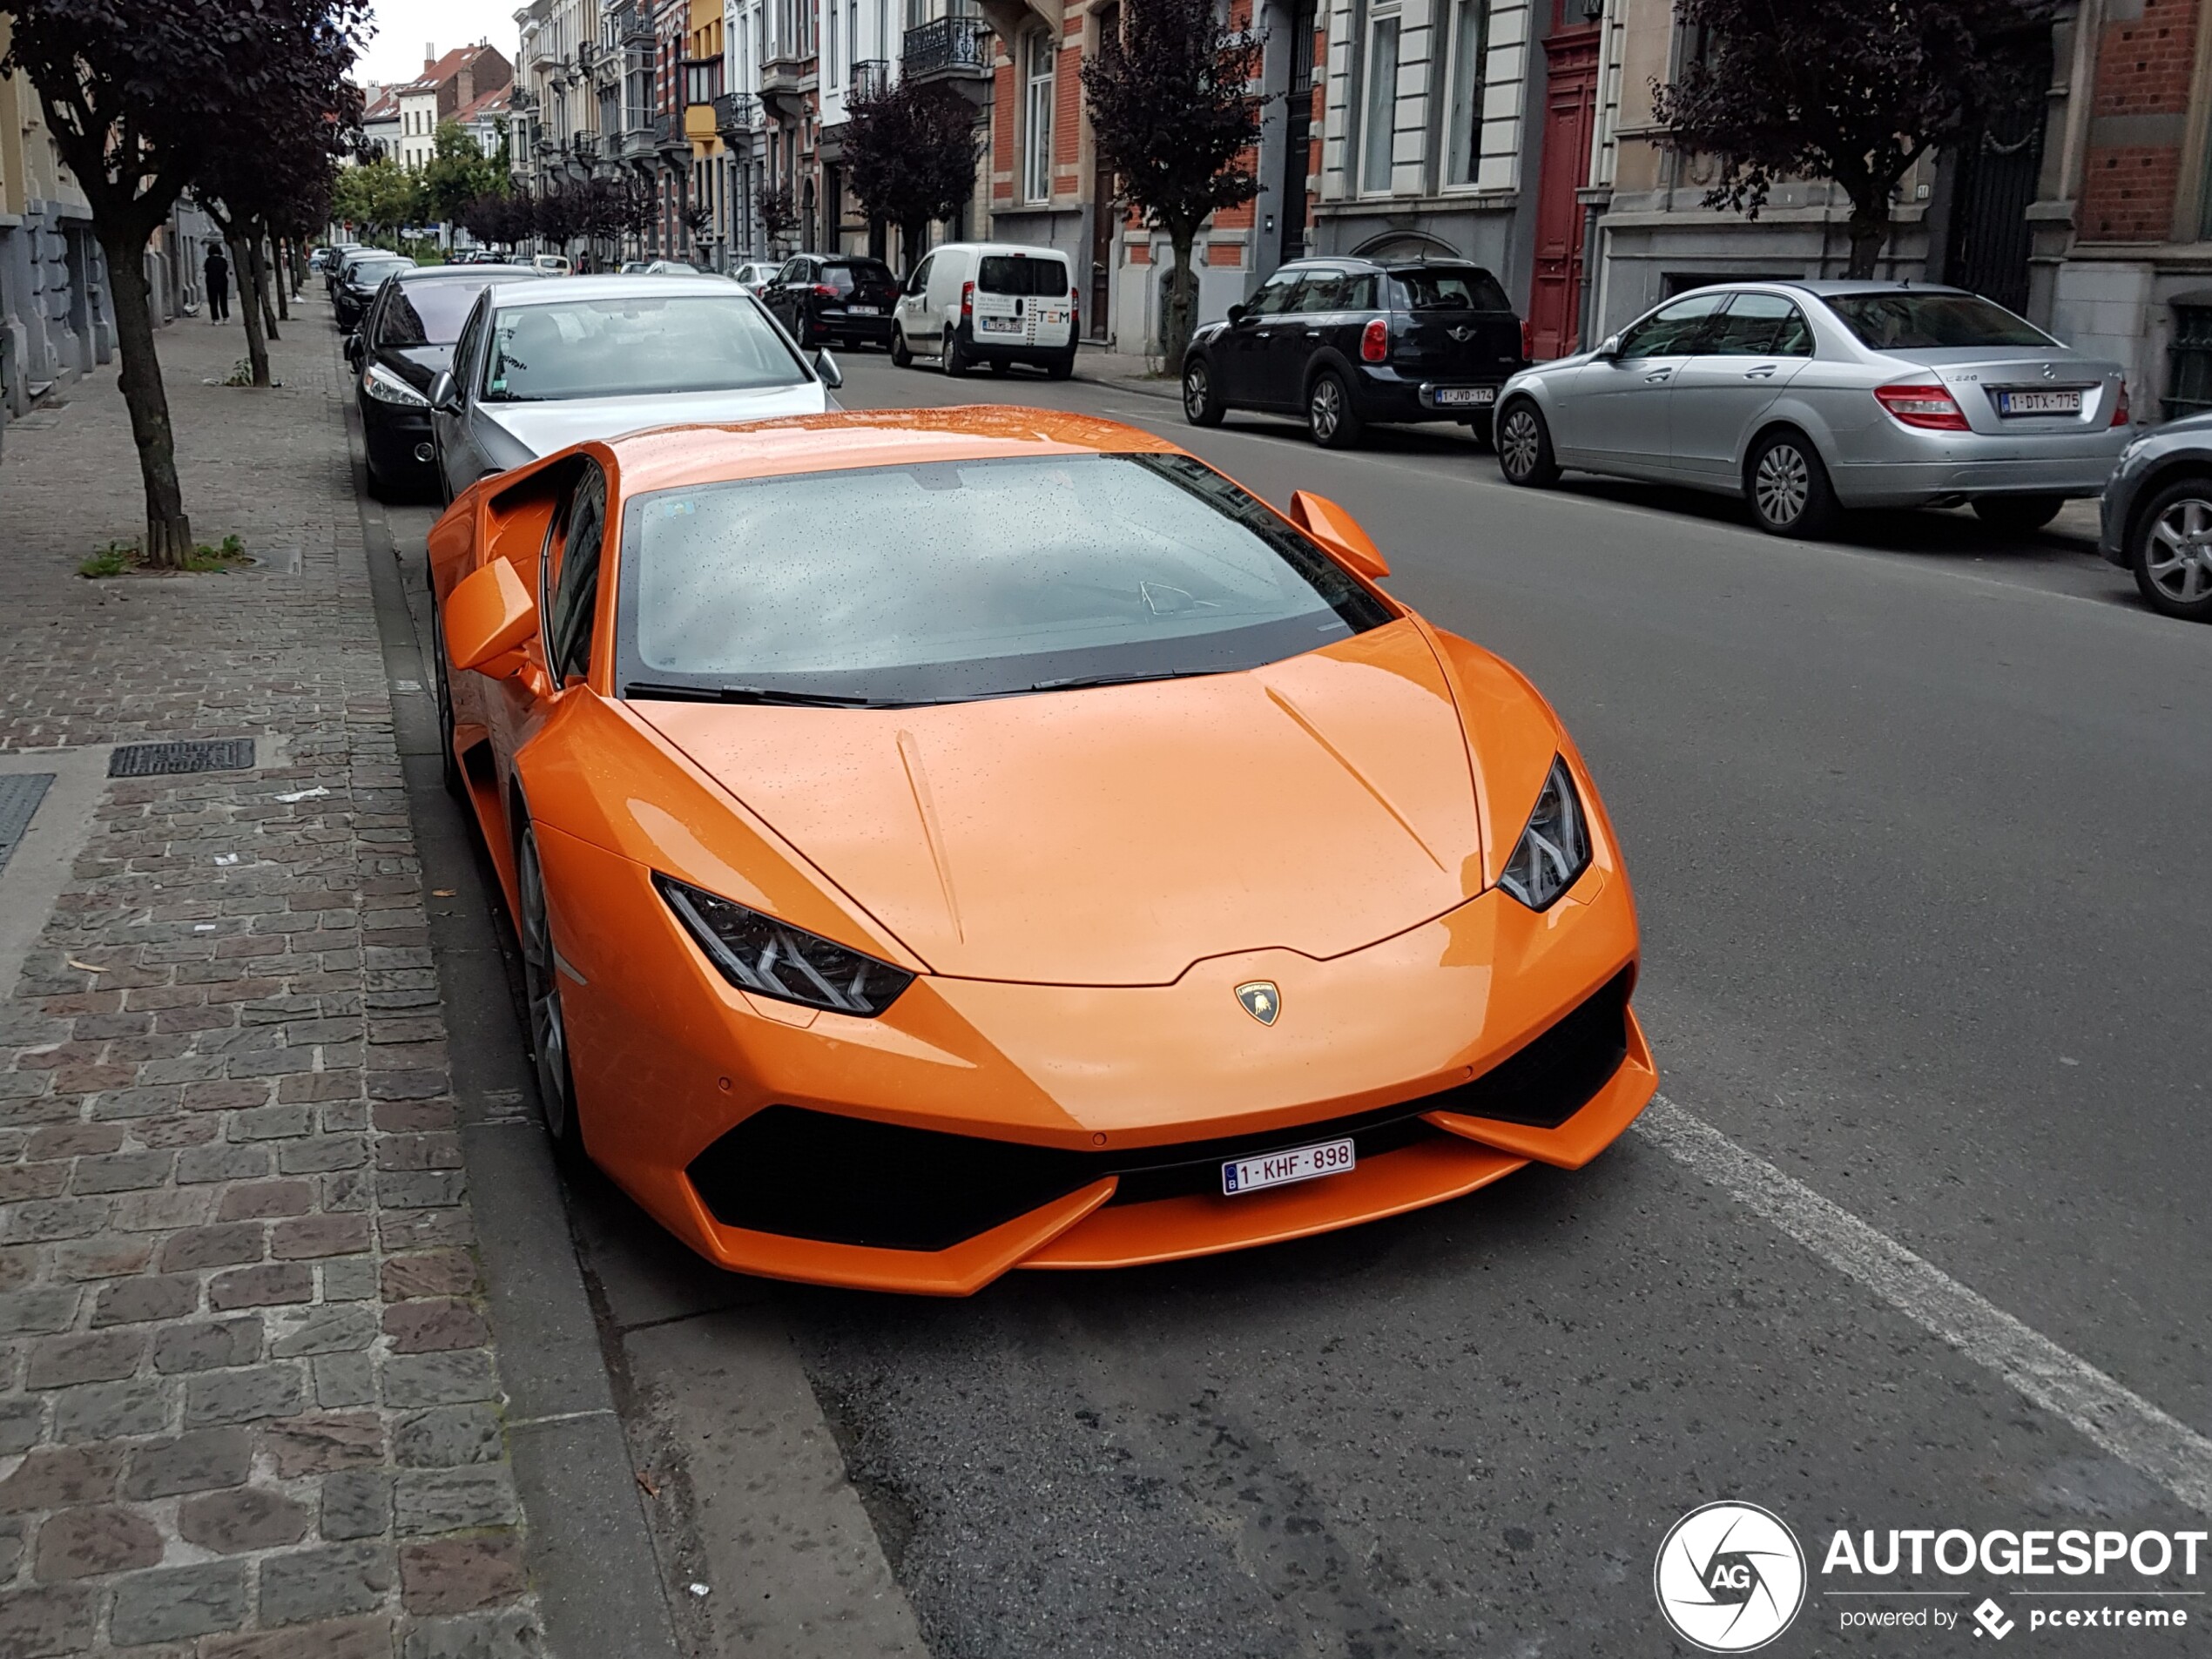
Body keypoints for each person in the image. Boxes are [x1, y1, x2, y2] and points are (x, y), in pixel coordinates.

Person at [203, 244, 231, 323]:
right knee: (223, 299)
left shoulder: (208, 260)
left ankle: (215, 319)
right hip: (223, 281)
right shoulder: (223, 260)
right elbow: (225, 269)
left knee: (213, 300)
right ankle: (225, 317)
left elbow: (206, 269)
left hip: (211, 282)